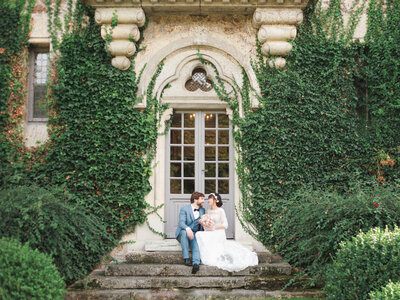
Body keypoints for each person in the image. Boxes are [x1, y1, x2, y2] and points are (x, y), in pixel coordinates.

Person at [196, 193, 258, 272]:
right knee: (199, 234)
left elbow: (225, 225)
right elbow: (209, 223)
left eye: (209, 199)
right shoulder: (208, 211)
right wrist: (205, 224)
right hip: (211, 231)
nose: (208, 200)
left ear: (215, 200)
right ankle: (206, 255)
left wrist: (214, 228)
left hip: (219, 232)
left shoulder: (221, 210)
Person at [175, 191, 205, 274]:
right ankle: (186, 258)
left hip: (195, 232)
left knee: (195, 244)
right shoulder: (184, 209)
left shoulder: (202, 210)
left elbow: (202, 223)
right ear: (195, 199)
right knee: (184, 232)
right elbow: (181, 223)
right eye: (202, 199)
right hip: (183, 232)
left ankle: (196, 263)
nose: (204, 201)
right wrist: (188, 229)